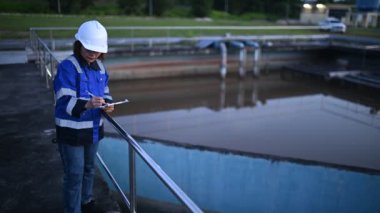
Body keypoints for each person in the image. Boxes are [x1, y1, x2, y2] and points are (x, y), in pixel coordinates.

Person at [53, 20, 114, 213]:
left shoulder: (101, 68)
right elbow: (63, 100)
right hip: (71, 131)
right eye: (89, 49)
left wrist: (108, 104)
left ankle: (86, 200)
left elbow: (105, 92)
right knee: (74, 174)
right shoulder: (67, 67)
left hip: (93, 130)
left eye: (97, 51)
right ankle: (72, 209)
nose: (93, 54)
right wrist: (87, 104)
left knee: (89, 169)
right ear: (79, 44)